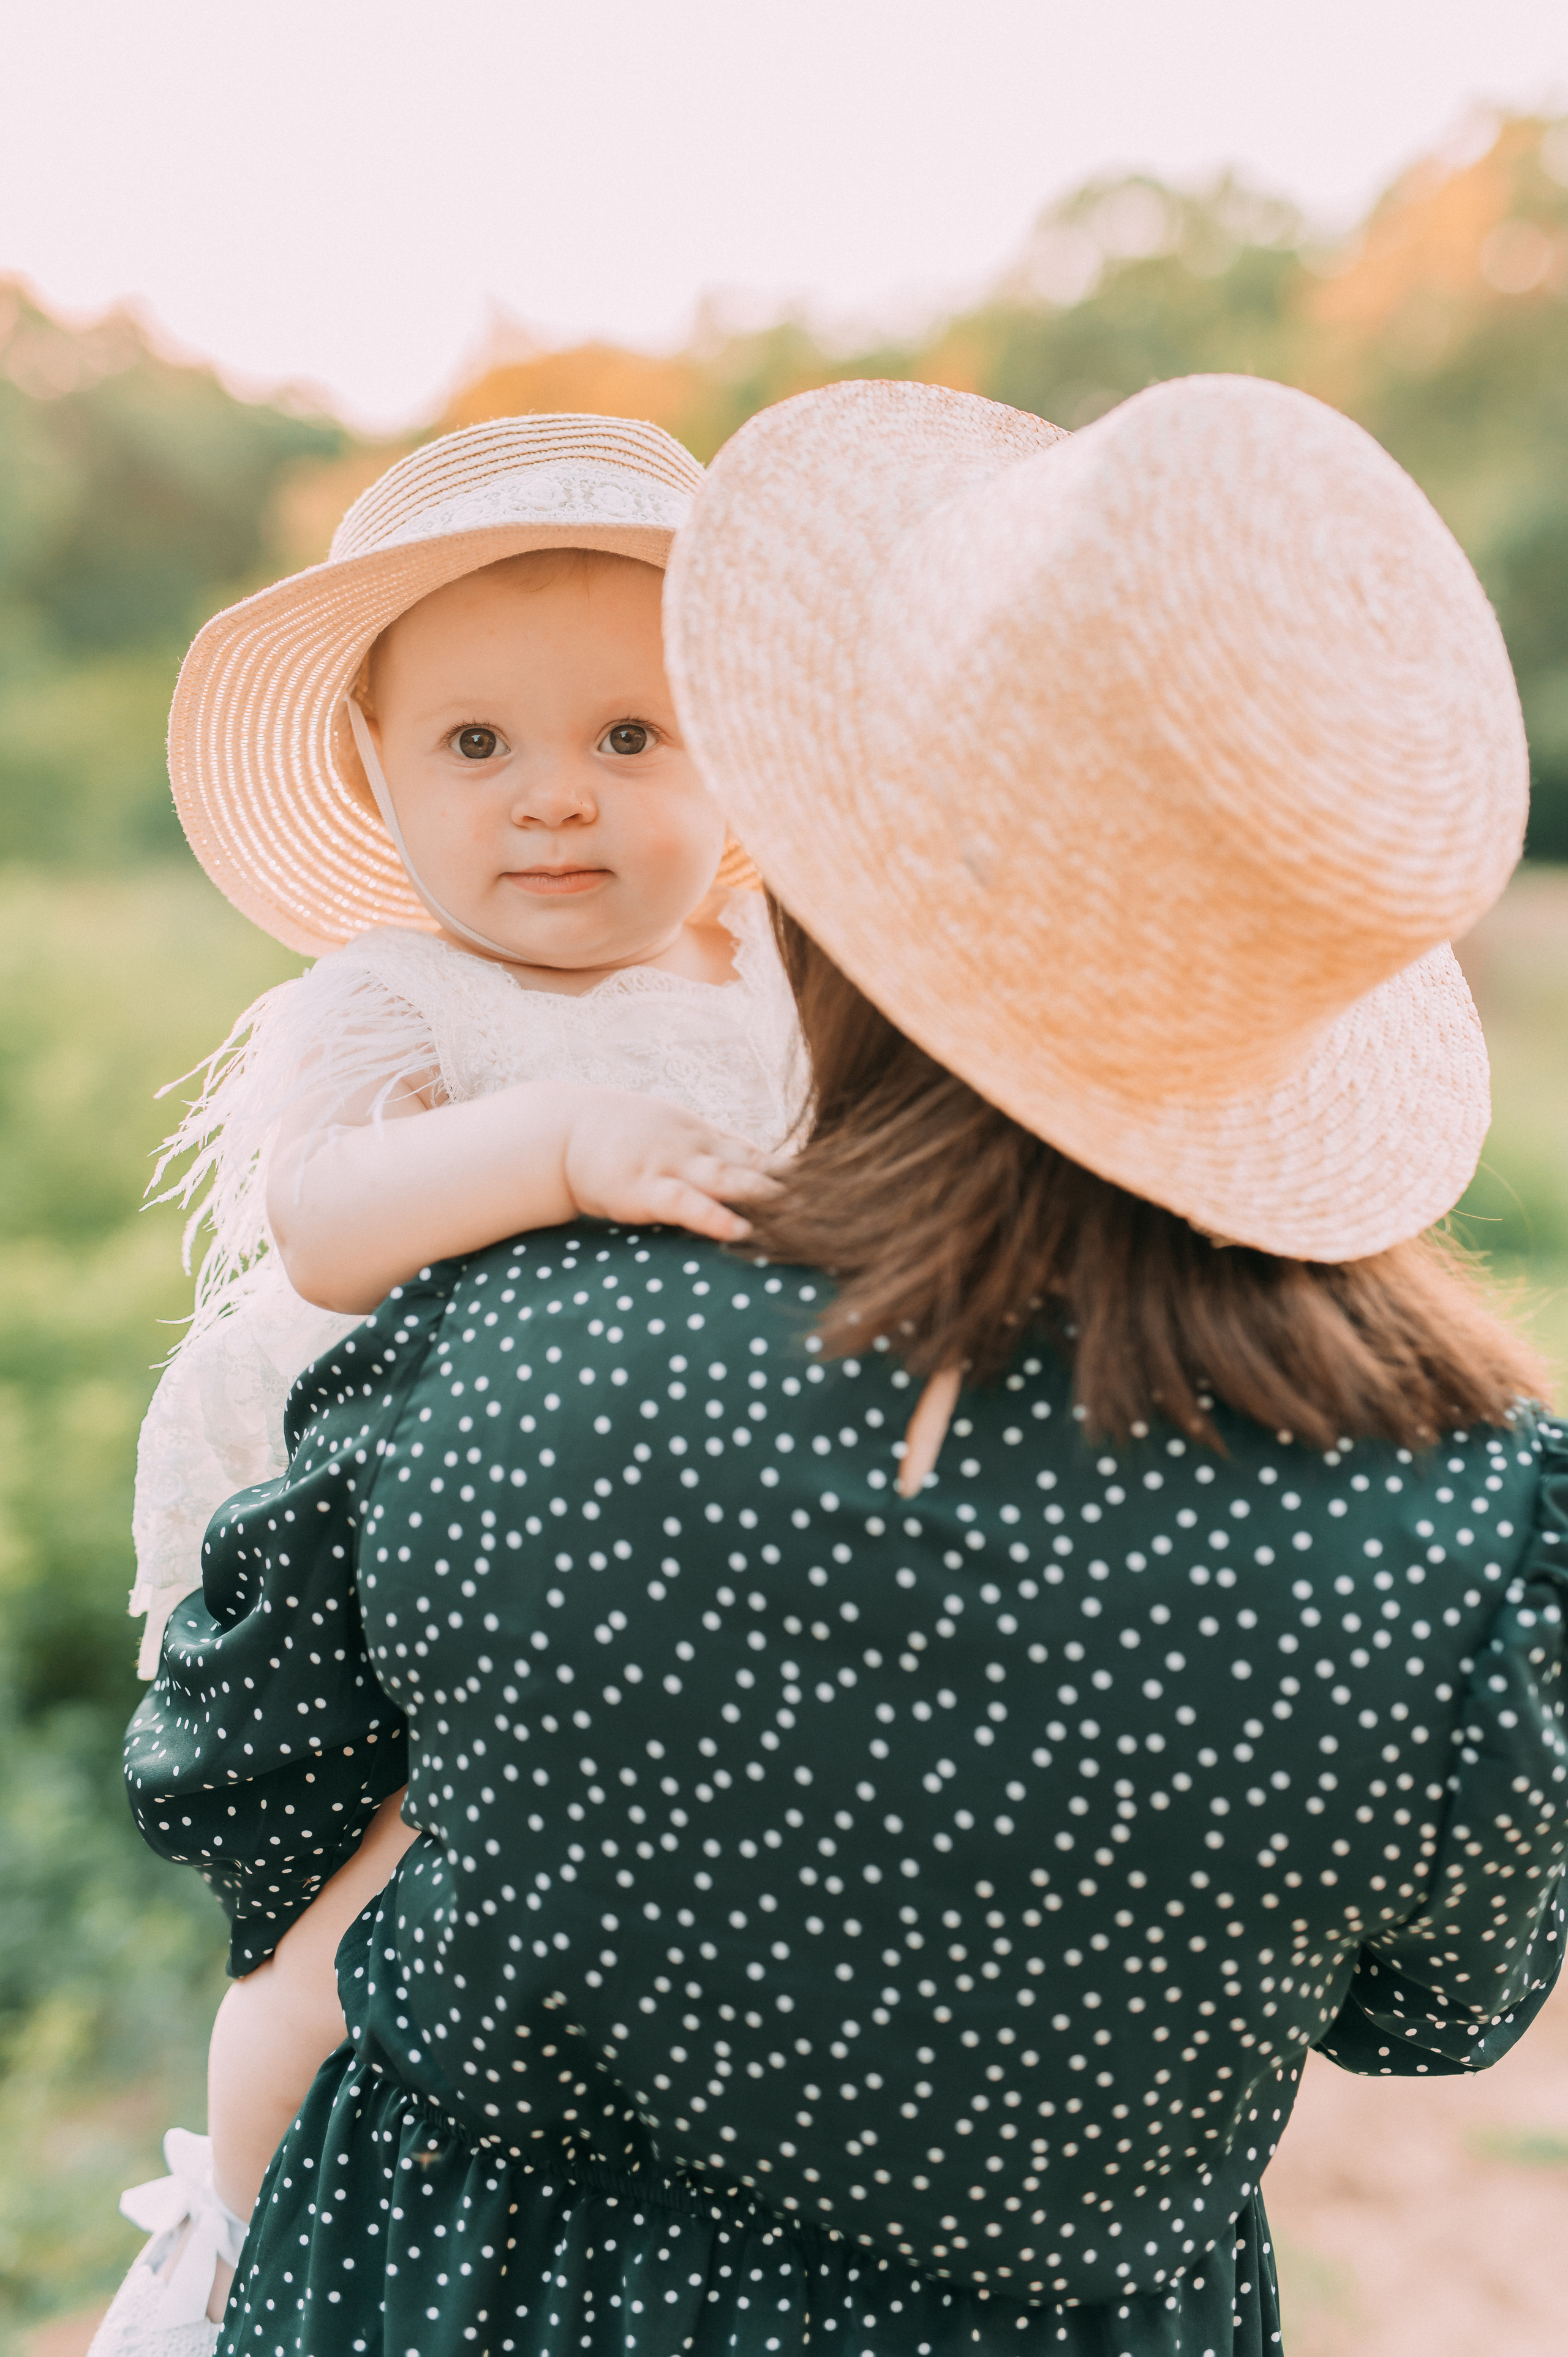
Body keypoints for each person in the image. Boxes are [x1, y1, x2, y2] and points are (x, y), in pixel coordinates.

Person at [122, 374, 1566, 2357]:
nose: (559, 791)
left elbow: (244, 1789)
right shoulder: (1469, 1530)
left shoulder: (515, 1350)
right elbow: (1432, 2007)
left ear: (805, 821)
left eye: (637, 733)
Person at [92, 415, 799, 2355]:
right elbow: (325, 1220)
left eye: (627, 739)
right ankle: (228, 2224)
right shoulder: (392, 1000)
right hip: (388, 1534)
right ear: (377, 774)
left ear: (730, 758)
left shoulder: (772, 983)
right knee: (393, 1882)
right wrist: (562, 1142)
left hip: (668, 1527)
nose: (554, 802)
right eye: (478, 746)